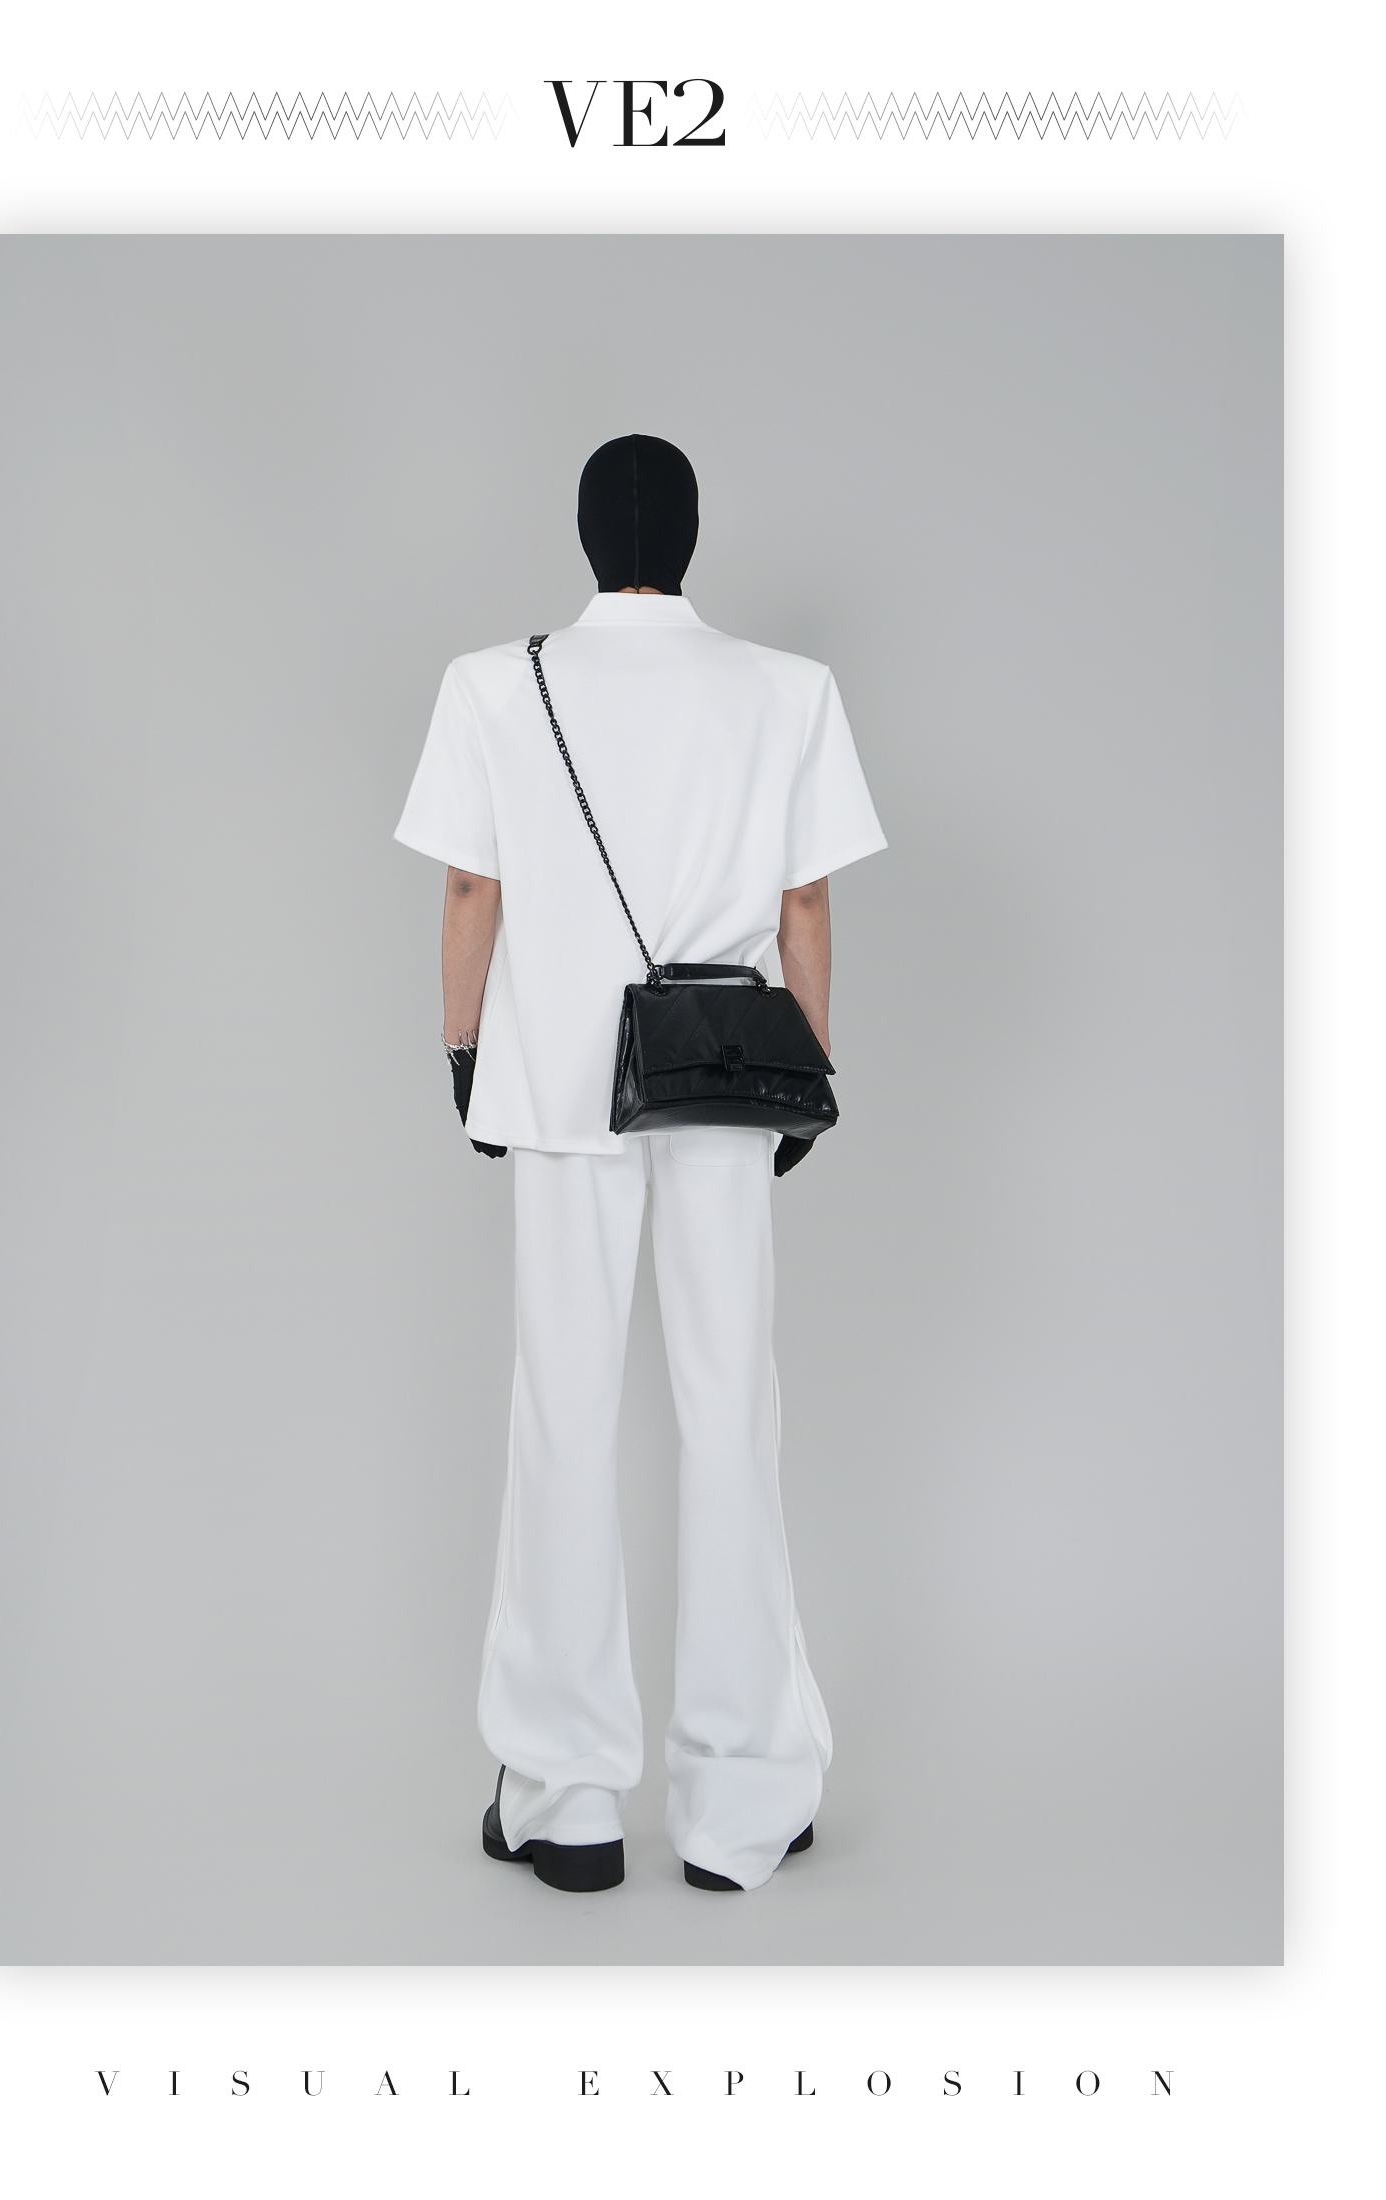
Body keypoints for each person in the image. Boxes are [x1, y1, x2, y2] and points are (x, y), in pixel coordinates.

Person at [394, 434, 886, 1893]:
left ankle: (566, 1799)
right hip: (722, 1083)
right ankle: (742, 1805)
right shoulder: (788, 690)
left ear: (585, 537)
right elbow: (803, 909)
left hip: (558, 1087)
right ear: (689, 538)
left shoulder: (495, 684)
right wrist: (802, 1078)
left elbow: (470, 887)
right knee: (731, 1412)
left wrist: (465, 1053)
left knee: (564, 1415)